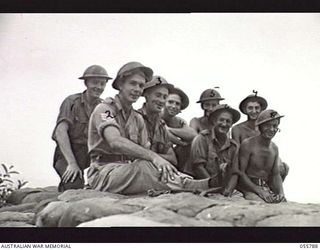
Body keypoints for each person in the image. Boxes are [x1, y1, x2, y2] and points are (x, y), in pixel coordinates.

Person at [86, 62, 214, 195]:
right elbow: (115, 141)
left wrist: (155, 160)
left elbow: (144, 152)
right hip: (103, 172)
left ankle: (193, 182)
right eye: (133, 83)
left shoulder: (136, 118)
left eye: (141, 85)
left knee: (147, 165)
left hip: (127, 170)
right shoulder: (105, 109)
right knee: (145, 165)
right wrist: (154, 157)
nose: (137, 89)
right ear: (120, 85)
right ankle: (192, 185)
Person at [52, 65, 112, 192]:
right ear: (86, 83)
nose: (99, 87)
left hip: (90, 154)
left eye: (102, 84)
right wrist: (72, 164)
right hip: (68, 152)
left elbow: (109, 135)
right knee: (74, 185)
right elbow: (60, 132)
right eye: (95, 83)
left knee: (111, 179)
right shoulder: (72, 102)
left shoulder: (103, 106)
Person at [232, 91, 289, 181]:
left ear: (261, 109)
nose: (254, 111)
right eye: (250, 108)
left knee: (282, 166)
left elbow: (268, 148)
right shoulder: (237, 129)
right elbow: (236, 151)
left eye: (257, 108)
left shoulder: (265, 128)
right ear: (245, 109)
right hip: (246, 162)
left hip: (263, 163)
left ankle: (274, 189)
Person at [190, 104, 241, 196]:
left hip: (224, 188)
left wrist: (228, 190)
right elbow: (198, 167)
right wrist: (213, 187)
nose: (224, 124)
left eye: (228, 121)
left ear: (232, 124)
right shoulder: (202, 139)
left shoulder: (234, 146)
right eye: (221, 120)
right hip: (203, 185)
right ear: (214, 121)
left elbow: (235, 172)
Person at [237, 109, 286, 203]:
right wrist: (259, 191)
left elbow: (276, 174)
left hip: (266, 187)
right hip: (248, 188)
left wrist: (281, 193)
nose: (272, 129)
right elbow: (241, 173)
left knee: (284, 205)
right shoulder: (248, 144)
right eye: (267, 125)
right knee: (261, 205)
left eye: (275, 126)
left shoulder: (274, 148)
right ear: (260, 127)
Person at [137, 76, 177, 165]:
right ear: (146, 96)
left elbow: (173, 159)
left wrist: (150, 155)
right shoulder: (134, 118)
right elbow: (132, 155)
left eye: (165, 97)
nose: (161, 100)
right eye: (158, 95)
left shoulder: (161, 125)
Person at [160, 86, 197, 172]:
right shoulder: (156, 116)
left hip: (173, 156)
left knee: (191, 146)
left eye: (177, 104)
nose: (173, 106)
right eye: (170, 102)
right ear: (164, 102)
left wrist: (169, 129)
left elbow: (193, 135)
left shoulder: (180, 121)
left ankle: (186, 174)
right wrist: (181, 142)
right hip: (158, 154)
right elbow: (165, 135)